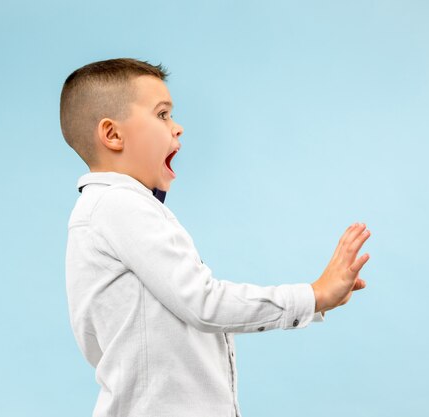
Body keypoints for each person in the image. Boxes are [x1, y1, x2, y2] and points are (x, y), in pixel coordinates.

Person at [61, 58, 371, 417]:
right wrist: (313, 296)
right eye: (162, 114)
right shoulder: (118, 206)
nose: (177, 128)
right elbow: (203, 304)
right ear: (113, 135)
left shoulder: (113, 210)